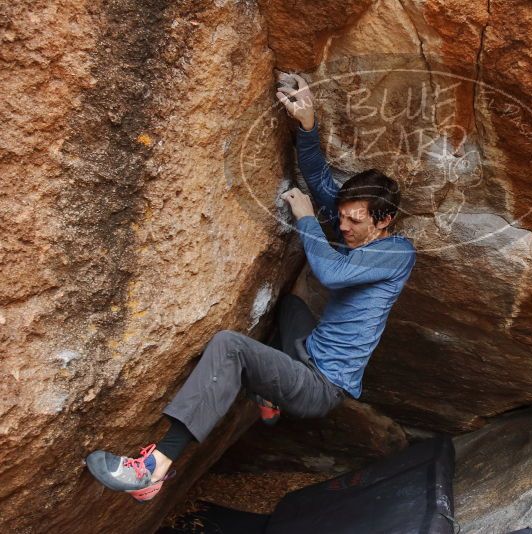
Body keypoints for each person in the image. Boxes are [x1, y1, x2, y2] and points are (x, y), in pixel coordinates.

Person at [85, 73, 417, 502]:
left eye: (356, 220)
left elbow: (332, 273)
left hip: (322, 387)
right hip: (308, 353)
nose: (346, 225)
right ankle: (269, 397)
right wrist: (308, 125)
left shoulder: (397, 253)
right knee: (292, 306)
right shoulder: (360, 228)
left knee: (230, 346)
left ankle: (153, 468)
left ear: (384, 220)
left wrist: (306, 220)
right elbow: (320, 185)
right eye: (345, 216)